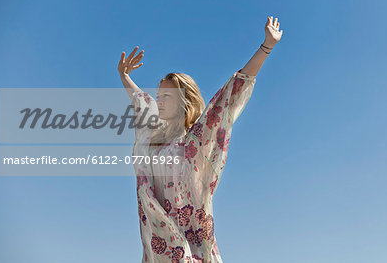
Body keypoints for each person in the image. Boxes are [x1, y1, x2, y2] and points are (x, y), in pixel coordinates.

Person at [118, 16, 283, 263]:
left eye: (167, 95)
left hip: (194, 251)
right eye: (159, 95)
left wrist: (266, 46)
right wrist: (124, 76)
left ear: (185, 101)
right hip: (160, 248)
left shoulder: (195, 144)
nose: (159, 100)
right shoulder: (151, 143)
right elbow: (142, 102)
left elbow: (229, 97)